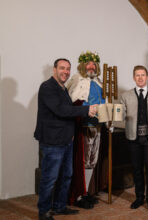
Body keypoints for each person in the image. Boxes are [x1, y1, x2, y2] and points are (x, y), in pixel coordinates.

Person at [34, 58, 97, 220]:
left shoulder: (62, 88)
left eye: (68, 69)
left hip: (66, 140)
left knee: (66, 175)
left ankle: (59, 206)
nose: (66, 72)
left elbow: (67, 111)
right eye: (62, 68)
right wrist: (86, 110)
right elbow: (61, 110)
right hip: (52, 142)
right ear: (54, 70)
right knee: (50, 178)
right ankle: (44, 211)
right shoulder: (47, 87)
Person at [120, 65, 148, 213]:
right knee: (137, 169)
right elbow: (121, 116)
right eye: (137, 75)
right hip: (133, 138)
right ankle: (139, 197)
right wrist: (113, 114)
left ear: (147, 77)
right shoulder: (125, 96)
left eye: (143, 75)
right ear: (134, 77)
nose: (140, 77)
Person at [67, 51, 105, 208]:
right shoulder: (76, 79)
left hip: (97, 126)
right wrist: (86, 108)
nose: (92, 66)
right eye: (88, 64)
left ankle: (86, 192)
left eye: (94, 64)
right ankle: (78, 195)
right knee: (82, 161)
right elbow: (72, 101)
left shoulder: (99, 82)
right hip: (83, 126)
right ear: (83, 65)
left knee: (92, 161)